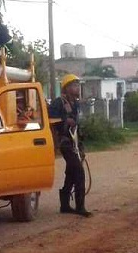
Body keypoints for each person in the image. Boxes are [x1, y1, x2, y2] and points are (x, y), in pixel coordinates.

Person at [48, 74, 91, 217]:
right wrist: (66, 121)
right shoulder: (58, 103)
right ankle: (80, 207)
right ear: (66, 88)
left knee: (72, 173)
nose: (77, 88)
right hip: (65, 143)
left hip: (76, 143)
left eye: (78, 85)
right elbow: (51, 121)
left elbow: (78, 123)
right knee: (79, 172)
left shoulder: (76, 104)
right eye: (74, 85)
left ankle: (65, 205)